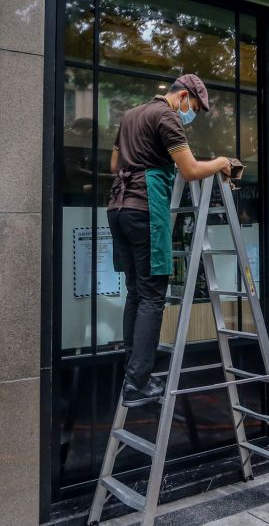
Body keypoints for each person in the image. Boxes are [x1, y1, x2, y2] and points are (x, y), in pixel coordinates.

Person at [108, 73, 234, 407]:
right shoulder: (167, 116)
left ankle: (132, 374)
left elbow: (113, 163)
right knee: (152, 296)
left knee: (136, 293)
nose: (190, 114)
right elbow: (190, 170)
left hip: (118, 208)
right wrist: (221, 162)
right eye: (193, 106)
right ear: (182, 97)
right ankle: (137, 383)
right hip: (145, 209)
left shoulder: (131, 115)